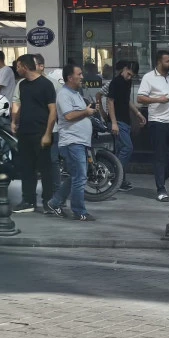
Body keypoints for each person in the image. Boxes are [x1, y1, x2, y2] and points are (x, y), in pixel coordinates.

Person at [47, 65, 96, 221]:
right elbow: (68, 116)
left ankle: (55, 202)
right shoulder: (63, 94)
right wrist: (86, 112)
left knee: (76, 176)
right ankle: (79, 211)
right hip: (72, 142)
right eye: (79, 74)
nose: (82, 77)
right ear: (70, 77)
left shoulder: (76, 94)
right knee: (79, 177)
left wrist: (88, 111)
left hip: (80, 141)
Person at [10, 54, 57, 213]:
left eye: (18, 66)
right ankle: (28, 201)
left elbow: (53, 110)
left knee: (45, 169)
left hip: (41, 133)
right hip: (24, 132)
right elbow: (21, 105)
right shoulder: (22, 85)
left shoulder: (46, 84)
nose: (16, 69)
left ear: (25, 66)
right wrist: (14, 121)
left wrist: (48, 134)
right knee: (26, 168)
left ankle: (48, 202)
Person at [136, 50, 169, 202]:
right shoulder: (148, 77)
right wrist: (158, 99)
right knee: (160, 155)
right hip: (158, 121)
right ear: (159, 62)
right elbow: (140, 98)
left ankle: (162, 176)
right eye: (167, 61)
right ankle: (161, 188)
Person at [106, 60, 145, 192]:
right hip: (118, 121)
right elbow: (110, 101)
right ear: (124, 69)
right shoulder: (115, 82)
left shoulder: (127, 82)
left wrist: (138, 113)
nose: (129, 77)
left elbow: (126, 100)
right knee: (127, 148)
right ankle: (116, 176)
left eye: (132, 76)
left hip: (125, 120)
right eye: (128, 74)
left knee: (121, 149)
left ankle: (119, 180)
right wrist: (114, 122)